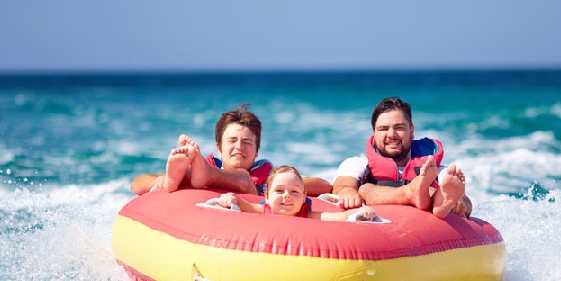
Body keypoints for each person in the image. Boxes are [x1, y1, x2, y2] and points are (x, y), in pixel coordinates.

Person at [130, 105, 332, 196]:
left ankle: (205, 177)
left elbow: (324, 186)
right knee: (187, 175)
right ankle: (183, 177)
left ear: (257, 152)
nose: (239, 147)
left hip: (250, 193)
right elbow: (136, 184)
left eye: (247, 142)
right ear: (218, 148)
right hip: (199, 186)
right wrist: (162, 181)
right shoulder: (208, 162)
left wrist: (284, 186)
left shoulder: (270, 175)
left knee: (244, 179)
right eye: (232, 141)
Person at [331, 97, 472, 219]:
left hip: (422, 232)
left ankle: (435, 201)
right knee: (364, 190)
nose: (391, 135)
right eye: (384, 129)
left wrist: (459, 202)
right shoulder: (357, 164)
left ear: (411, 131)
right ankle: (415, 193)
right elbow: (342, 186)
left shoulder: (435, 170)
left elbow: (465, 201)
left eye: (399, 128)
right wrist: (347, 192)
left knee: (441, 194)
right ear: (374, 133)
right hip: (374, 223)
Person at [216, 166, 379, 221]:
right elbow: (244, 205)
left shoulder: (305, 214)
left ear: (303, 198)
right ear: (266, 196)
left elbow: (335, 217)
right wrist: (233, 198)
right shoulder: (264, 209)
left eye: (294, 192)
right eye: (279, 190)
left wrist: (358, 211)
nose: (286, 195)